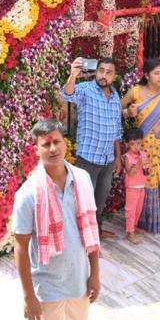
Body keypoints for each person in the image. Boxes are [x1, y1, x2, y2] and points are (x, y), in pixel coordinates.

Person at [13, 119, 100, 320]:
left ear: (65, 143)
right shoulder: (28, 193)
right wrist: (28, 296)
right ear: (36, 150)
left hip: (80, 282)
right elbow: (21, 247)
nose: (53, 149)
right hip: (47, 289)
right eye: (46, 144)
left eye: (57, 142)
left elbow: (91, 230)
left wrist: (95, 274)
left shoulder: (82, 179)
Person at [60, 57, 122, 238]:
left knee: (99, 201)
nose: (103, 75)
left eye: (108, 72)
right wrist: (73, 76)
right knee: (83, 202)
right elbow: (67, 94)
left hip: (108, 159)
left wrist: (117, 157)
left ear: (114, 76)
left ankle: (96, 233)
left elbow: (117, 129)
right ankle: (81, 240)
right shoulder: (87, 89)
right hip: (88, 158)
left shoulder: (115, 96)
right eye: (101, 70)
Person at [121, 57, 160, 231]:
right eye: (156, 73)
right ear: (147, 75)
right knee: (146, 179)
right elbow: (116, 109)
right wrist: (128, 112)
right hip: (143, 147)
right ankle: (145, 220)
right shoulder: (135, 92)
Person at [121, 128, 150, 245]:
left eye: (138, 143)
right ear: (127, 144)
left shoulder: (143, 154)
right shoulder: (127, 157)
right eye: (132, 144)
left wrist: (147, 165)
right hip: (132, 187)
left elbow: (146, 170)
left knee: (138, 209)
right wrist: (139, 162)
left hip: (141, 186)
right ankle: (130, 232)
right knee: (131, 210)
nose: (136, 146)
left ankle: (134, 226)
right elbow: (130, 172)